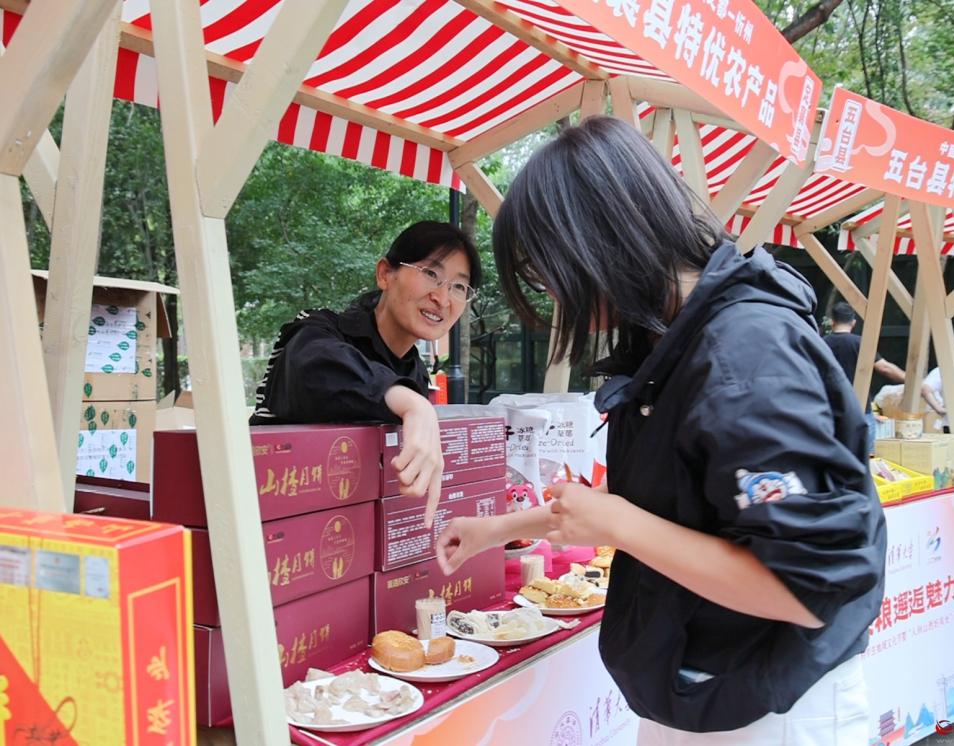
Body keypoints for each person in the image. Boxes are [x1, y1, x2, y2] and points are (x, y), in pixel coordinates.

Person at [435, 117, 885, 744]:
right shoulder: (669, 341)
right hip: (700, 685)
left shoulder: (745, 356)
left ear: (598, 240)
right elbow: (657, 501)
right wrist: (496, 530)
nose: (554, 294)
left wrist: (619, 525)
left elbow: (806, 587)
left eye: (547, 270)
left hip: (771, 706)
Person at [250, 220, 482, 526]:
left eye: (458, 287)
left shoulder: (414, 371)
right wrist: (410, 402)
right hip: (271, 520)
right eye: (430, 274)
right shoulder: (317, 331)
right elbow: (313, 368)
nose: (443, 297)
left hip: (353, 529)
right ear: (385, 274)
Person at [823, 301, 905, 453]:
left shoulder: (821, 343)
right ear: (853, 322)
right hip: (860, 409)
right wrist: (910, 380)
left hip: (830, 410)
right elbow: (884, 368)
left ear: (832, 321)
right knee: (865, 457)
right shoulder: (860, 343)